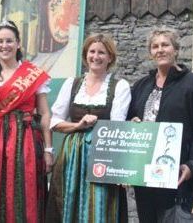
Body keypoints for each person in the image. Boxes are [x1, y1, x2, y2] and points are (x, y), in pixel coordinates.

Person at [0, 20, 52, 222]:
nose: (4, 45)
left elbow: (45, 114)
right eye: (0, 41)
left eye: (9, 41)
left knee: (25, 188)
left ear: (18, 44)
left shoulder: (32, 73)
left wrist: (49, 150)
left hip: (26, 139)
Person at [127, 27, 193, 223]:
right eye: (155, 46)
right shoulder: (141, 85)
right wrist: (132, 123)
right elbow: (128, 119)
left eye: (165, 45)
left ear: (176, 49)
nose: (160, 50)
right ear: (150, 53)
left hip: (178, 173)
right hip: (145, 172)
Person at [46, 33, 131, 223]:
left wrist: (120, 167)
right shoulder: (72, 84)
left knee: (100, 206)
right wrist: (78, 125)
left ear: (110, 57)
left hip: (103, 153)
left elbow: (118, 127)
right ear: (86, 55)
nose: (96, 56)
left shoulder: (120, 86)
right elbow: (55, 122)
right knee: (68, 201)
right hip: (72, 155)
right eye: (92, 51)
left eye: (102, 52)